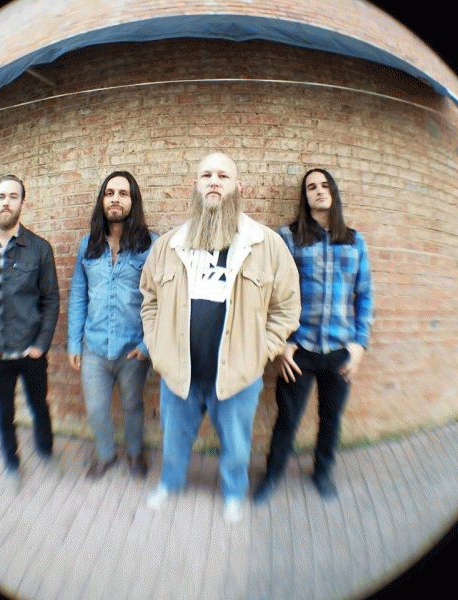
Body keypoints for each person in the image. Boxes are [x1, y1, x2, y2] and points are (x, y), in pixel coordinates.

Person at [140, 152, 301, 523]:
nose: (214, 181)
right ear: (195, 186)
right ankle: (170, 483)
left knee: (237, 443)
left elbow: (286, 307)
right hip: (179, 371)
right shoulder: (168, 245)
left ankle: (233, 493)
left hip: (238, 374)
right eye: (206, 175)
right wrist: (155, 343)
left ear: (239, 187)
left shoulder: (266, 245)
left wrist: (262, 351)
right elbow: (148, 299)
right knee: (174, 438)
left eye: (223, 176)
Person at [253, 168, 374, 503]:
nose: (319, 190)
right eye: (311, 187)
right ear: (305, 197)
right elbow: (272, 293)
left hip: (340, 349)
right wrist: (281, 344)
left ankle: (323, 472)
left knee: (331, 419)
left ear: (333, 192)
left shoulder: (354, 240)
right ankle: (272, 476)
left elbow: (365, 295)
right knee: (287, 419)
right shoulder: (288, 237)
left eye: (324, 185)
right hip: (299, 350)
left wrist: (359, 345)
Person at [0, 174, 60, 492]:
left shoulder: (39, 249)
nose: (6, 202)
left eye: (13, 196)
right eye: (1, 196)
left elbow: (51, 300)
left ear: (22, 204)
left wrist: (41, 344)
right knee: (4, 412)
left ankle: (46, 451)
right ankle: (11, 462)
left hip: (31, 351)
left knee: (39, 406)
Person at [68, 171, 157, 480]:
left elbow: (163, 299)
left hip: (133, 349)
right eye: (109, 193)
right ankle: (106, 454)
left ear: (133, 200)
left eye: (123, 193)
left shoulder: (151, 245)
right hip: (93, 347)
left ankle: (134, 451)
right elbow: (78, 294)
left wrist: (148, 345)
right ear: (102, 201)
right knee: (95, 409)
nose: (115, 199)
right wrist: (73, 342)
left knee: (133, 405)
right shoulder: (88, 245)